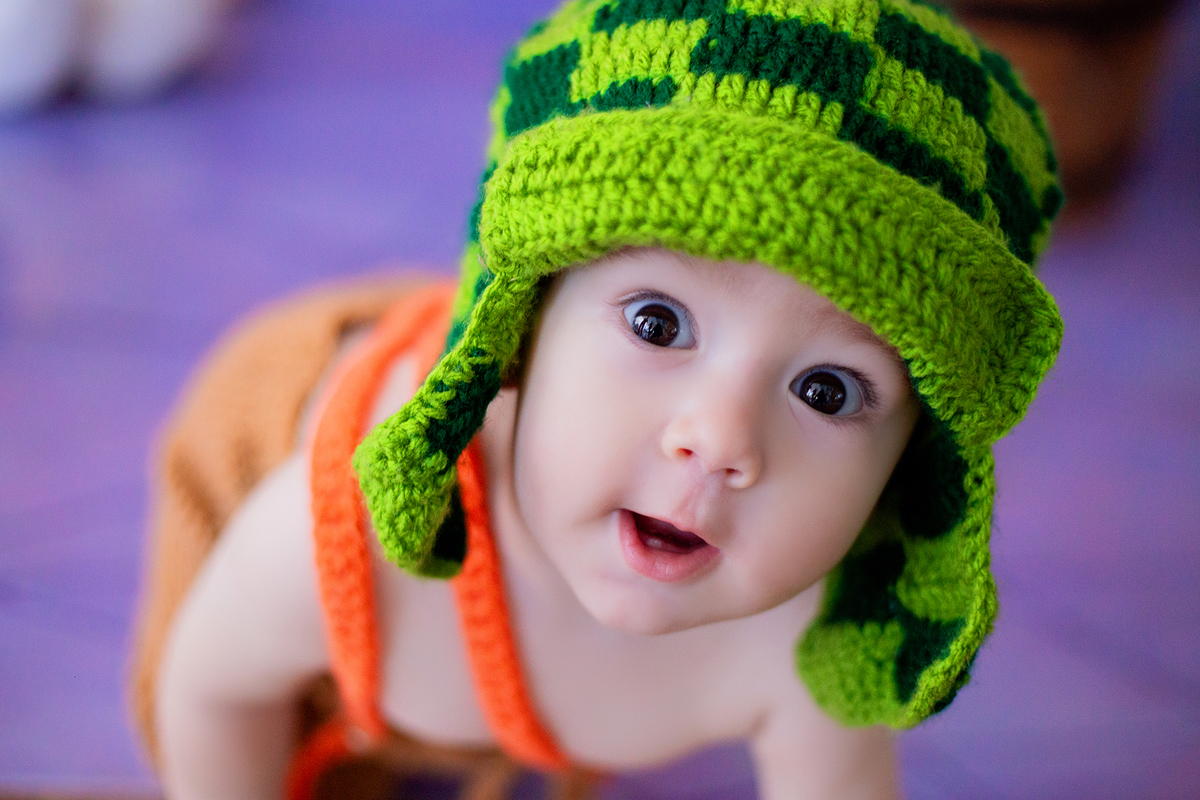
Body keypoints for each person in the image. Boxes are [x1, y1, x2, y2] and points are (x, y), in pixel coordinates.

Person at [132, 0, 1064, 798]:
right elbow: (211, 689)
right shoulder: (328, 533)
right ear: (525, 329)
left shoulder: (815, 640)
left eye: (826, 390)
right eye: (659, 325)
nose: (720, 439)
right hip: (270, 435)